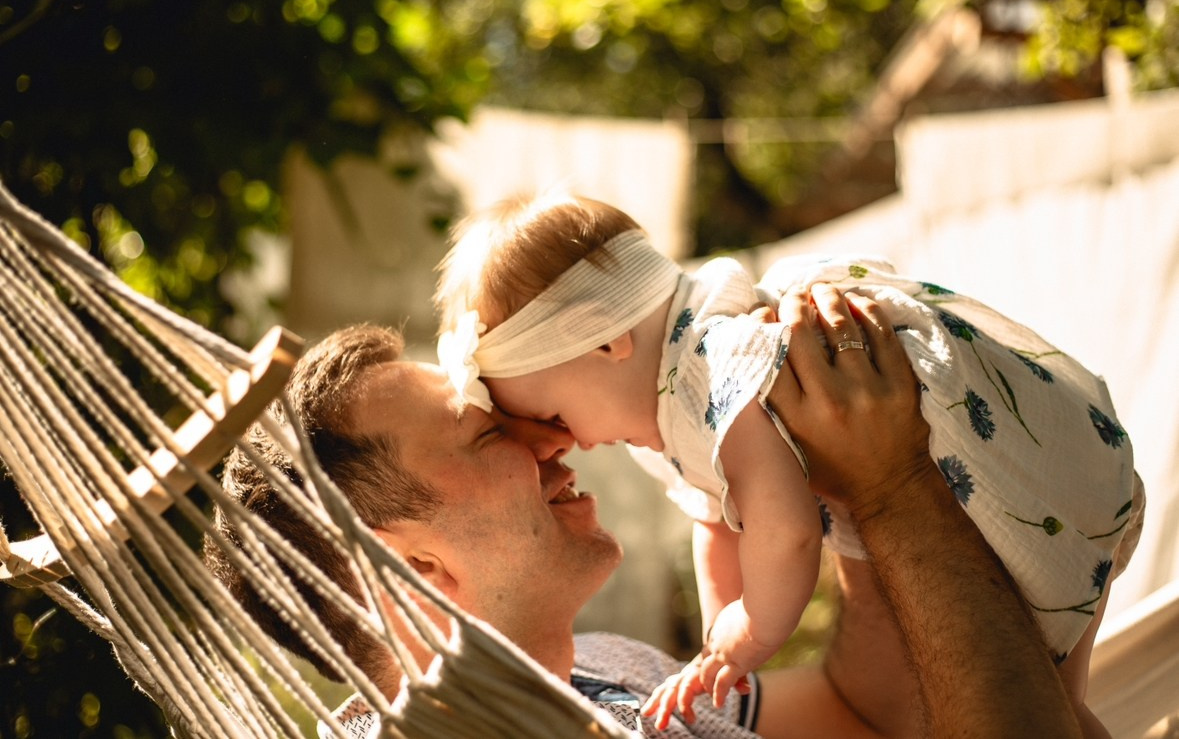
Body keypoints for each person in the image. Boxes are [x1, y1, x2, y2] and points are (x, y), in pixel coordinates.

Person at [207, 284, 1099, 738]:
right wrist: (897, 488)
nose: (550, 440)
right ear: (413, 570)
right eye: (487, 436)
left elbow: (861, 710)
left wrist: (829, 482)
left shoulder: (598, 670)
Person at [431, 189, 1143, 735]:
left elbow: (784, 528)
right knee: (1056, 706)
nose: (560, 443)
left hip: (1014, 479)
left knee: (1040, 704)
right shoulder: (662, 415)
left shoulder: (716, 367)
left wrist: (751, 630)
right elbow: (714, 521)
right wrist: (718, 639)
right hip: (1071, 474)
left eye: (553, 416)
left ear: (604, 339)